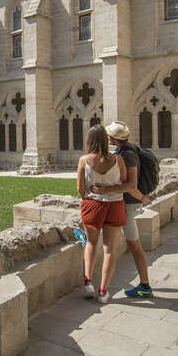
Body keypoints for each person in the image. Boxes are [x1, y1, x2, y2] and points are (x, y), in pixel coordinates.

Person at [91, 121, 152, 298]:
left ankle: (145, 286)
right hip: (124, 204)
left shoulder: (128, 156)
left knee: (134, 245)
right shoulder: (123, 152)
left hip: (129, 205)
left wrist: (143, 199)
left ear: (112, 139)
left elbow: (131, 185)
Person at [77, 124, 127, 304]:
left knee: (91, 242)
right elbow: (126, 183)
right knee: (109, 249)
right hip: (115, 205)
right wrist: (109, 190)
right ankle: (103, 291)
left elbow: (80, 189)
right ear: (107, 140)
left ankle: (88, 283)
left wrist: (91, 197)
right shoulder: (118, 160)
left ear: (89, 140)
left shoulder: (84, 160)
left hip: (93, 205)